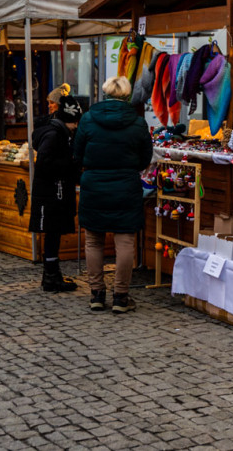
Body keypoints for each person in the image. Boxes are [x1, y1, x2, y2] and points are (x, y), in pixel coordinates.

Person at [74, 76, 153, 314]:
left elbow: (77, 154)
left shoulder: (88, 119)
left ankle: (97, 294)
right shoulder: (138, 122)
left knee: (94, 239)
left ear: (105, 94)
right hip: (125, 185)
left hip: (94, 184)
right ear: (127, 96)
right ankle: (120, 296)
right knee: (125, 241)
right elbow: (145, 158)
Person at [30, 92, 83, 292]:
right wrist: (71, 164)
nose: (76, 126)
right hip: (52, 193)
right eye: (74, 122)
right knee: (52, 233)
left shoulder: (58, 132)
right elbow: (44, 163)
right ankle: (51, 276)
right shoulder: (54, 135)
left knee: (54, 233)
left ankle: (51, 275)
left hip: (53, 192)